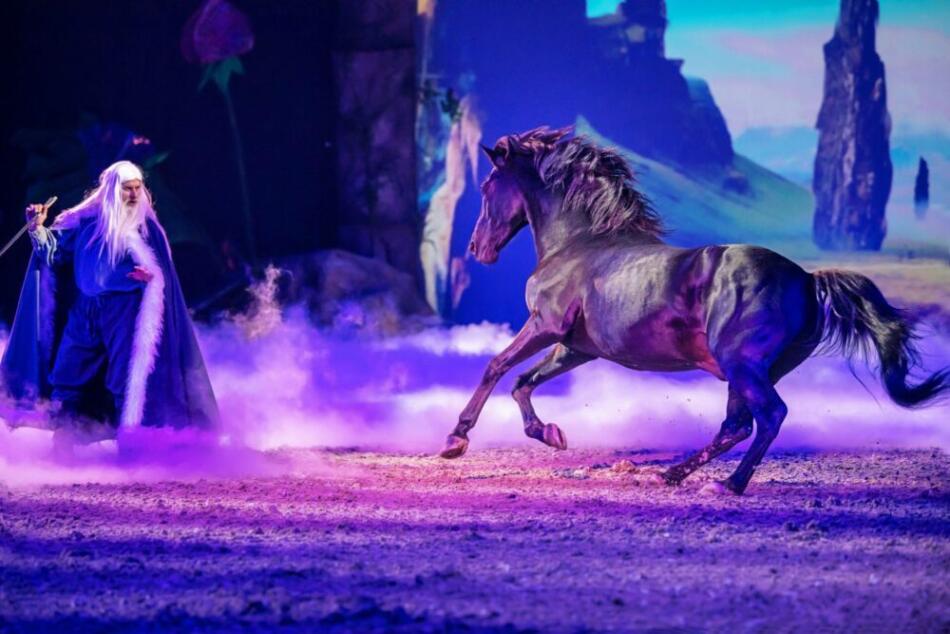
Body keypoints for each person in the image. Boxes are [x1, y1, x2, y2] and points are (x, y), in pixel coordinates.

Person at [1, 161, 218, 441]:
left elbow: (162, 274)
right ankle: (66, 436)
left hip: (123, 309)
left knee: (123, 375)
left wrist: (150, 276)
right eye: (128, 188)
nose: (134, 194)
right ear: (114, 190)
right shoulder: (85, 223)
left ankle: (129, 441)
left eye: (138, 188)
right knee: (68, 369)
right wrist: (38, 228)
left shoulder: (146, 228)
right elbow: (54, 254)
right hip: (85, 308)